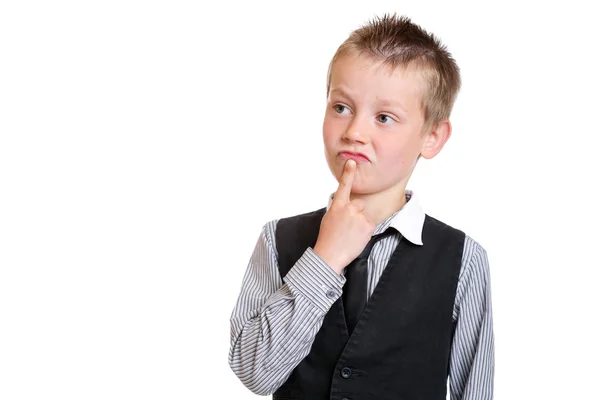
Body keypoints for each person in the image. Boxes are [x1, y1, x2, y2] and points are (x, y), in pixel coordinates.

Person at [228, 13, 494, 400]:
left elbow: (476, 390)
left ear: (432, 136)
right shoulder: (277, 240)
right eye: (341, 107)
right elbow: (255, 372)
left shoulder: (464, 260)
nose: (354, 132)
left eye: (384, 117)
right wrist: (324, 260)